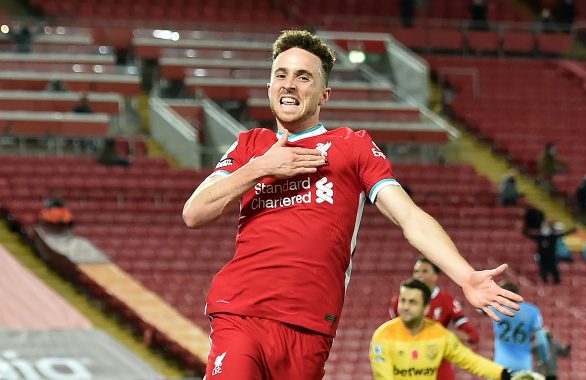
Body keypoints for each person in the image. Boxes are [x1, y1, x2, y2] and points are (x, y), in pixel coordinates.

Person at [182, 29, 522, 380]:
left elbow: (409, 217)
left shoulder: (352, 146)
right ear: (269, 87)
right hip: (240, 313)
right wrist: (261, 168)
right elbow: (194, 213)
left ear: (324, 94)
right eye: (280, 75)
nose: (289, 84)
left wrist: (465, 275)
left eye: (303, 77)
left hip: (310, 325)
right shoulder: (250, 146)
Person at [371, 279, 533, 380]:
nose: (405, 307)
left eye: (412, 302)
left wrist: (503, 374)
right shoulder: (382, 336)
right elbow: (383, 377)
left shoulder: (439, 335)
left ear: (426, 308)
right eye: (403, 301)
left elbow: (471, 361)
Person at [389, 257, 480, 380]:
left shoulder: (446, 300)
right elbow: (391, 333)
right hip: (408, 365)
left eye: (424, 271)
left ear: (435, 276)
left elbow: (473, 336)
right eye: (416, 271)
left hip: (438, 365)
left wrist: (444, 336)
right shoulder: (400, 301)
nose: (419, 275)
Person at [492, 282, 550, 372]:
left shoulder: (496, 308)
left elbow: (479, 306)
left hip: (500, 365)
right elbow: (541, 341)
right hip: (523, 366)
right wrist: (544, 360)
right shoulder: (532, 311)